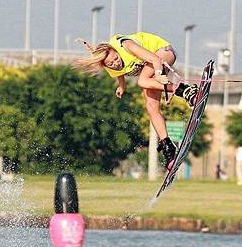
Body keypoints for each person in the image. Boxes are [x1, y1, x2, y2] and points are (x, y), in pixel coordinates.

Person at [73, 32, 199, 170]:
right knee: (151, 107)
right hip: (151, 66)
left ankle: (186, 91)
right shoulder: (110, 66)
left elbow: (155, 59)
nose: (116, 63)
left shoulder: (126, 45)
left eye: (116, 58)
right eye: (111, 63)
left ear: (116, 50)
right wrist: (122, 86)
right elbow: (119, 73)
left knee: (143, 81)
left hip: (163, 52)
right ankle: (168, 148)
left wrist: (159, 75)